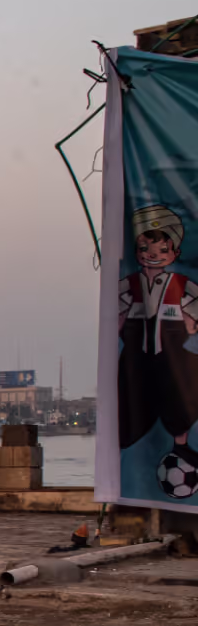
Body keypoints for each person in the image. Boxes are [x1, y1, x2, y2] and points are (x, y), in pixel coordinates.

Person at [117, 203, 198, 473]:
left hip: (172, 354)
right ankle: (127, 451)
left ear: (174, 252)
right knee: (133, 402)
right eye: (145, 250)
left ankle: (181, 444)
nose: (153, 256)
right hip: (136, 356)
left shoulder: (181, 284)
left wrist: (191, 321)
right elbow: (113, 310)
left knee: (180, 397)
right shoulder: (129, 284)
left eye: (162, 250)